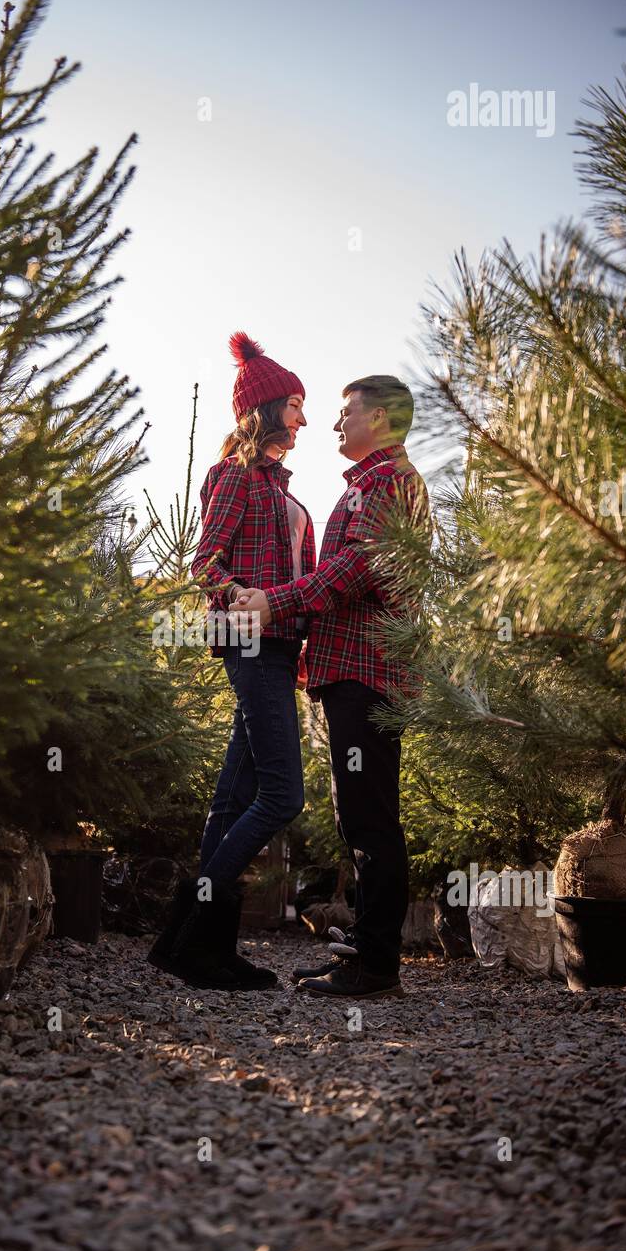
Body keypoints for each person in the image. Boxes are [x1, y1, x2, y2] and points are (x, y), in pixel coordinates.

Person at [232, 376, 430, 1000]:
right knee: (361, 816)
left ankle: (375, 970)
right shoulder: (370, 483)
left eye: (347, 413)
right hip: (348, 670)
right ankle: (371, 950)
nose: (337, 424)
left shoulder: (391, 482)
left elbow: (353, 570)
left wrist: (275, 604)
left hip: (368, 674)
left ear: (383, 419)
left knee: (370, 820)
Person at [147, 331, 314, 990]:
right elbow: (203, 562)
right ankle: (189, 939)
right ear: (268, 407)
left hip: (278, 648)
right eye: (295, 405)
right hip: (251, 643)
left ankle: (204, 948)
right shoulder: (236, 475)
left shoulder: (276, 481)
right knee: (282, 796)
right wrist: (237, 593)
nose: (302, 418)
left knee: (234, 800)